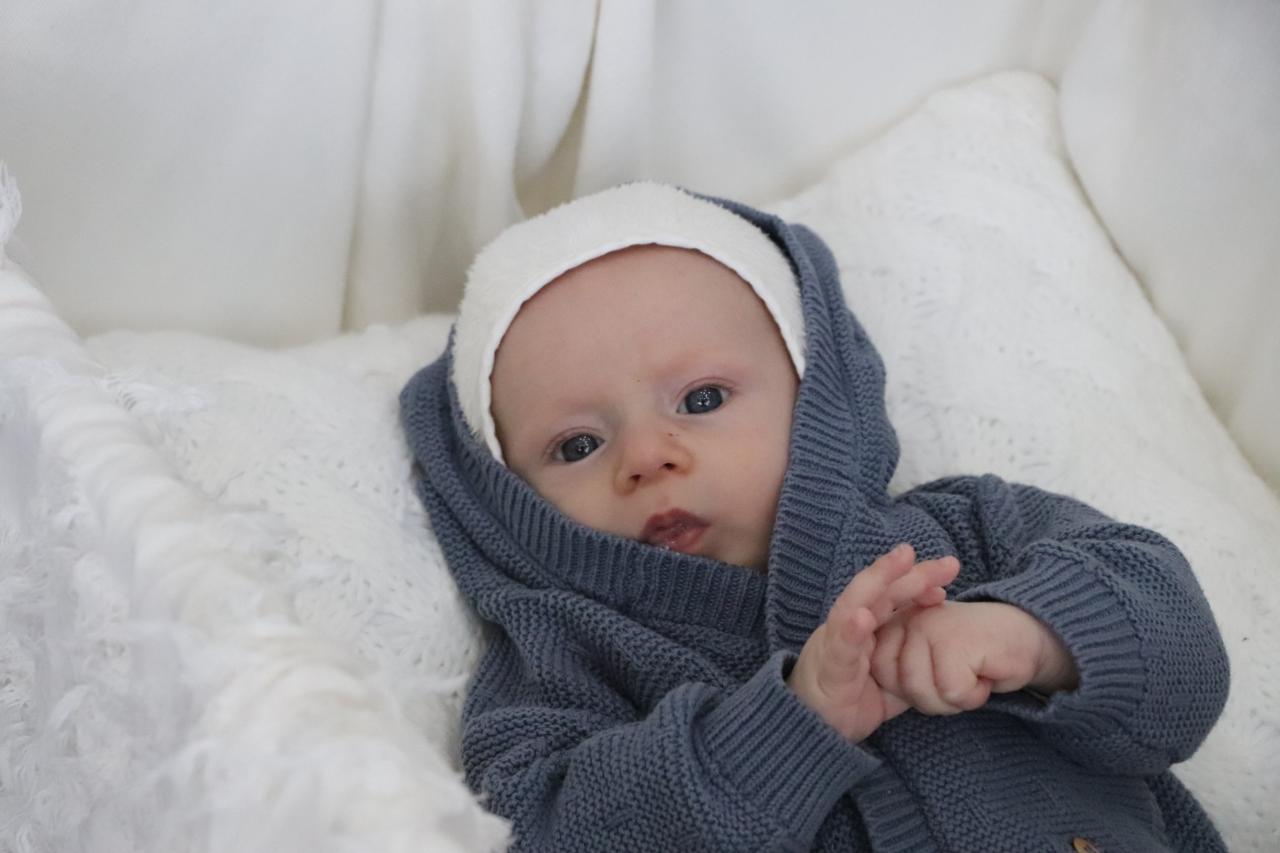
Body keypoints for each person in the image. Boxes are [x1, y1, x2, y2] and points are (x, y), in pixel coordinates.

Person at [400, 182, 1229, 852]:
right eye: (577, 444)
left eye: (702, 399)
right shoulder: (559, 661)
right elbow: (548, 834)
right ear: (509, 496)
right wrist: (788, 726)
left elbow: (1182, 656)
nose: (647, 456)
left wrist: (1032, 637)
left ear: (816, 392)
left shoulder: (964, 535)